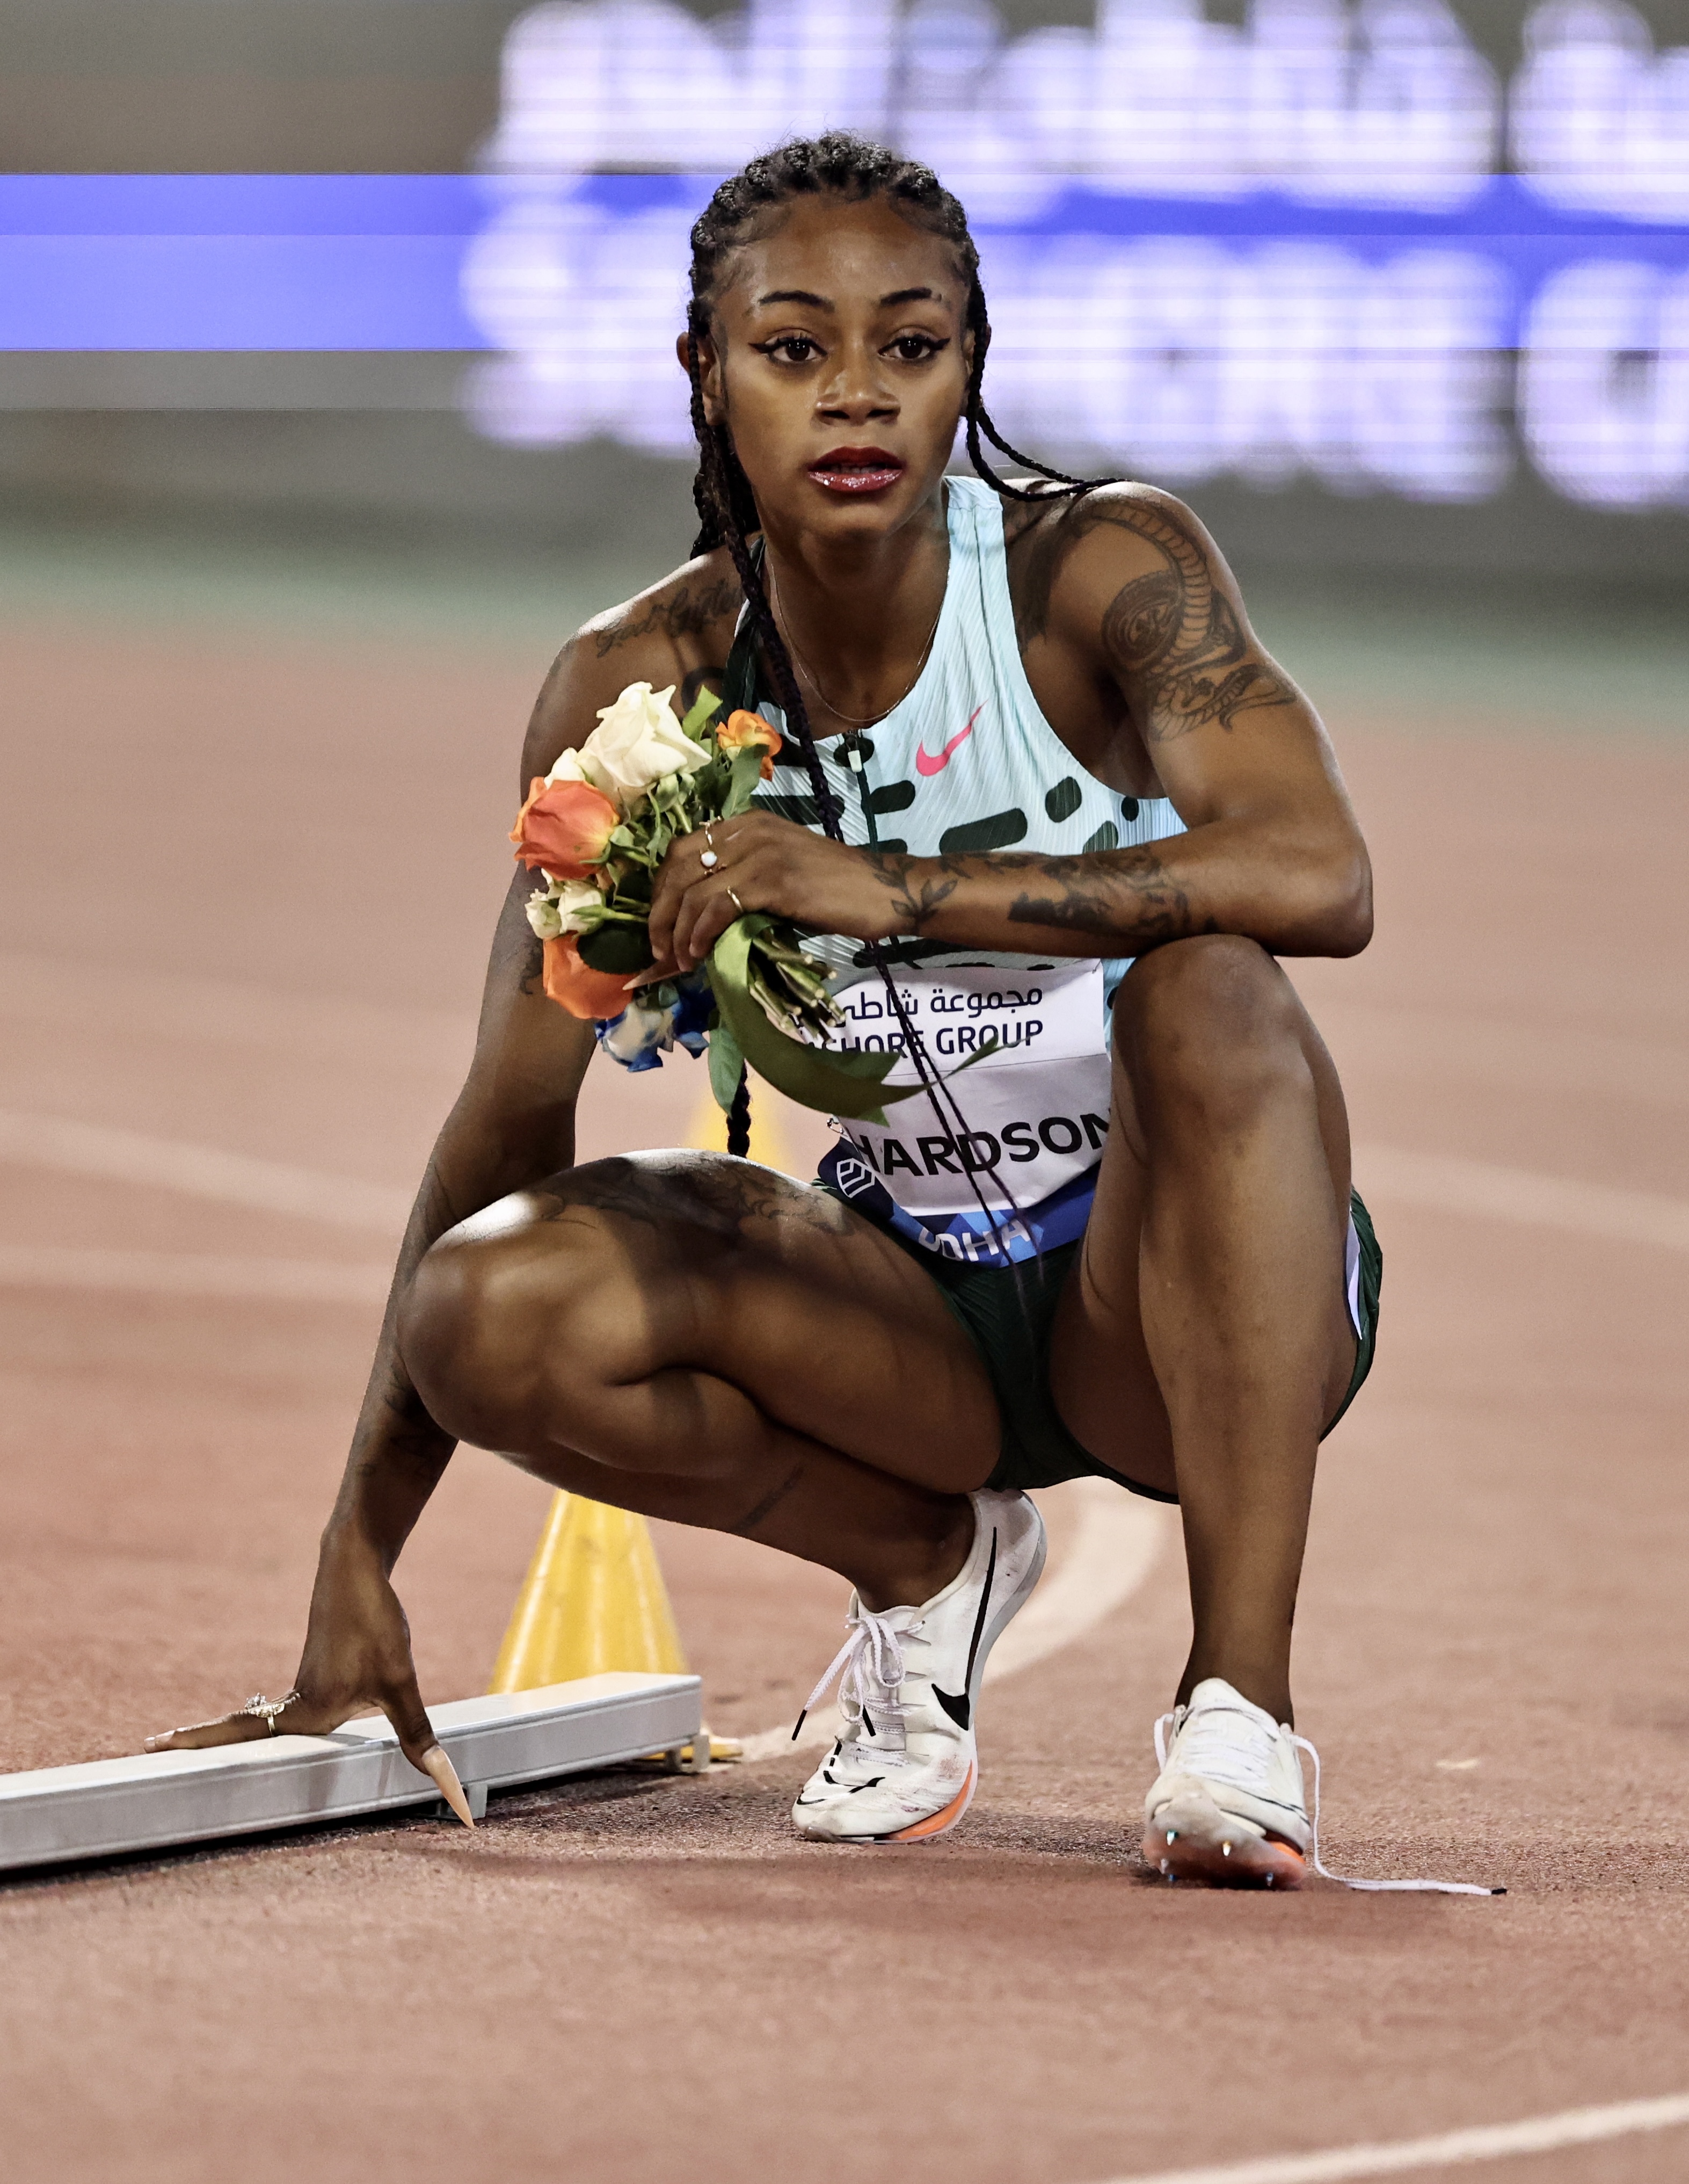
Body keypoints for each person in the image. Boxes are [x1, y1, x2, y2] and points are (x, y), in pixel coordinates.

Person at [147, 134, 1378, 1888]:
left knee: (1213, 984)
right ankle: (923, 1566)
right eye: (794, 349)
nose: (857, 394)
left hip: (1171, 1298)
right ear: (704, 374)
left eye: (912, 343)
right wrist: (360, 1552)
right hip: (904, 1322)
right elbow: (506, 1121)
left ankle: (1236, 1709)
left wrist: (895, 890)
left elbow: (1322, 870)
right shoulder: (633, 686)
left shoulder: (1095, 577)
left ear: (972, 360)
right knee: (489, 1302)